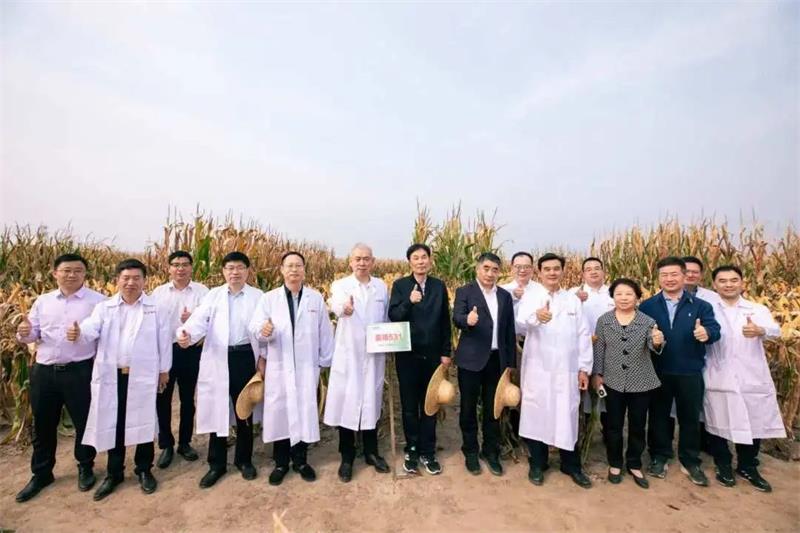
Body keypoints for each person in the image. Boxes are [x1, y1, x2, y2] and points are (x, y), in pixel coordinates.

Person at [76, 259, 172, 500]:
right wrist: (79, 332)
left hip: (143, 375)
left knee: (144, 422)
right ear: (117, 280)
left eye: (136, 278)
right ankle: (114, 472)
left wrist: (164, 370)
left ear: (145, 280)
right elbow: (91, 328)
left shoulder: (156, 308)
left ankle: (144, 469)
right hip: (113, 376)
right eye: (126, 278)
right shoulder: (104, 308)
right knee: (114, 423)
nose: (131, 283)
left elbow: (164, 341)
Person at [15, 253, 107, 503]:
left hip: (80, 371)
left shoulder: (98, 302)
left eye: (78, 270)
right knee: (43, 425)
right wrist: (24, 332)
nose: (72, 275)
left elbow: (105, 336)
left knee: (84, 422)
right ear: (55, 273)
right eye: (66, 270)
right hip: (44, 371)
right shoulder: (43, 301)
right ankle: (42, 473)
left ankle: (85, 466)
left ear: (85, 274)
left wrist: (83, 335)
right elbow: (32, 334)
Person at [179, 251, 263, 488]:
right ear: (223, 272)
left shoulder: (258, 296)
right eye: (230, 268)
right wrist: (186, 335)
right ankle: (216, 464)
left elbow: (263, 328)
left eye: (240, 268)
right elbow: (198, 321)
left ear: (248, 271)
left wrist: (264, 357)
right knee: (218, 409)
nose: (235, 272)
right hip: (218, 356)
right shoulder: (213, 296)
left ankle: (244, 460)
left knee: (244, 408)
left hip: (245, 357)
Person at [250, 251, 335, 486]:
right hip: (280, 365)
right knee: (280, 413)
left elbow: (325, 332)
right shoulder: (269, 299)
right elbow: (255, 325)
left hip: (307, 366)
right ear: (282, 270)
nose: (294, 270)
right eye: (289, 266)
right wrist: (263, 330)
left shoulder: (314, 299)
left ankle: (301, 462)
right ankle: (280, 463)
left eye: (298, 265)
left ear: (304, 270)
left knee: (304, 412)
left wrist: (324, 361)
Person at [703, 265, 786, 491]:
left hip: (751, 375)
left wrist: (761, 331)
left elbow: (776, 331)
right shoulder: (708, 309)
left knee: (753, 421)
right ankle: (723, 465)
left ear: (742, 283)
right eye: (722, 281)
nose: (728, 285)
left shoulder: (756, 309)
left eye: (733, 280)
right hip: (718, 374)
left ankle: (748, 466)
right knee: (718, 421)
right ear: (714, 285)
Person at [641, 256, 721, 486]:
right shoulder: (648, 306)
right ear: (658, 278)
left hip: (690, 371)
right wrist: (653, 341)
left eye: (674, 274)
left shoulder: (701, 306)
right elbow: (640, 337)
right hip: (659, 370)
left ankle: (690, 460)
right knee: (659, 416)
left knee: (690, 418)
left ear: (684, 276)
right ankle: (659, 455)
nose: (669, 279)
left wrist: (706, 333)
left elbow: (714, 329)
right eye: (664, 275)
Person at [516, 253, 593, 488]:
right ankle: (538, 464)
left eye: (556, 268)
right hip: (538, 369)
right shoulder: (531, 297)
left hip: (567, 370)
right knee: (537, 414)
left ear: (562, 271)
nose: (552, 273)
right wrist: (536, 317)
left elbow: (583, 335)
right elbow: (519, 323)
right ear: (539, 272)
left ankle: (571, 465)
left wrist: (584, 368)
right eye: (547, 269)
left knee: (567, 415)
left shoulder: (572, 300)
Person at [323, 243, 391, 482]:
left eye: (366, 259)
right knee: (347, 404)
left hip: (373, 355)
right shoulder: (341, 285)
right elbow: (335, 305)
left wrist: (392, 340)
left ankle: (372, 452)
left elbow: (386, 318)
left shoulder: (381, 286)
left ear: (373, 262)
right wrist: (345, 309)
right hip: (349, 355)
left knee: (371, 402)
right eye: (358, 259)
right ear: (350, 262)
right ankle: (347, 456)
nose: (362, 263)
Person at [593, 278, 663, 489]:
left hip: (641, 381)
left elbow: (653, 344)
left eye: (629, 294)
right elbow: (599, 349)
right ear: (613, 297)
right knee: (613, 425)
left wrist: (657, 342)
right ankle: (615, 463)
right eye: (619, 294)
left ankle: (634, 462)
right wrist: (598, 374)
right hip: (612, 381)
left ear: (637, 297)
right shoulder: (604, 320)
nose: (623, 298)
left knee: (637, 425)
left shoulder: (647, 321)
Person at [388, 243, 452, 475]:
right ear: (410, 262)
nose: (421, 261)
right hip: (407, 355)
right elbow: (394, 315)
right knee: (409, 406)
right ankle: (412, 449)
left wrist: (446, 352)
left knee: (430, 404)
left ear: (430, 260)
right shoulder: (400, 286)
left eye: (424, 257)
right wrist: (409, 301)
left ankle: (428, 451)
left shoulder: (438, 286)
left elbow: (445, 320)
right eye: (416, 258)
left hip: (433, 356)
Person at [453, 252, 517, 476]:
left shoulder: (505, 296)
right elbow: (457, 317)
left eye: (494, 270)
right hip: (470, 360)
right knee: (468, 408)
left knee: (494, 409)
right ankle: (470, 451)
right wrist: (467, 320)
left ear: (499, 272)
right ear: (477, 269)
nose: (490, 274)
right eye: (486, 268)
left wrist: (510, 364)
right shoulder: (465, 291)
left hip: (496, 361)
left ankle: (491, 451)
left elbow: (509, 330)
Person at [151, 251, 209, 468]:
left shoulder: (203, 292)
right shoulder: (158, 293)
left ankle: (185, 442)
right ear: (169, 268)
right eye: (176, 264)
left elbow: (211, 320)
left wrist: (193, 321)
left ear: (192, 267)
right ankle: (166, 444)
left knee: (187, 399)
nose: (180, 268)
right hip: (165, 350)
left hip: (191, 351)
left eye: (185, 264)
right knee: (163, 399)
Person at [569, 257, 615, 435]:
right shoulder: (573, 293)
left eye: (597, 268)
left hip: (609, 351)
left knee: (607, 393)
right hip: (581, 350)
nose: (593, 272)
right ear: (582, 274)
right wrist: (575, 300)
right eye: (589, 269)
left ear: (604, 271)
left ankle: (608, 432)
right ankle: (583, 432)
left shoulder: (614, 292)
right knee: (583, 394)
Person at [500, 251, 542, 316]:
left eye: (526, 267)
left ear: (532, 269)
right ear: (512, 268)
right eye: (518, 266)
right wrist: (512, 296)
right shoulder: (502, 290)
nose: (522, 270)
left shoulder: (541, 289)